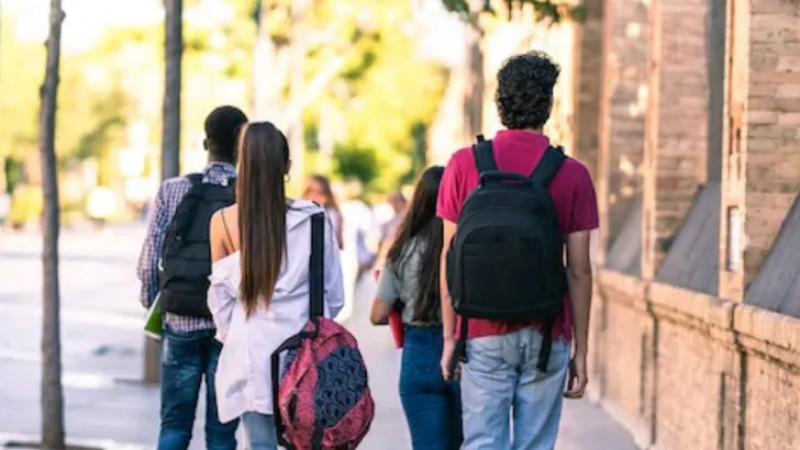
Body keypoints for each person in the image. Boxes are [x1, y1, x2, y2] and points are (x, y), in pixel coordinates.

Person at [437, 52, 599, 449]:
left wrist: (449, 339)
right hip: (547, 332)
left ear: (499, 102)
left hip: (481, 332)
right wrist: (582, 349)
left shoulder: (463, 165)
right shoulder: (572, 174)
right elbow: (579, 271)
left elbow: (449, 258)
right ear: (549, 104)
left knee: (483, 443)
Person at [207, 122, 344, 449]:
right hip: (306, 358)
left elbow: (221, 307)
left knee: (259, 443)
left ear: (243, 165)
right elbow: (334, 297)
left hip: (250, 359)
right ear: (287, 166)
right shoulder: (313, 218)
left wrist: (240, 332)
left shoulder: (223, 222)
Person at [137, 105, 247, 450]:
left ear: (205, 143)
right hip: (229, 329)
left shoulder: (173, 190)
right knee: (221, 433)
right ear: (241, 146)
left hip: (180, 321)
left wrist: (160, 308)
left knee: (174, 427)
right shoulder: (250, 195)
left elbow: (147, 263)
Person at [370, 166, 462, 450]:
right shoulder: (467, 248)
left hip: (418, 354)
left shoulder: (402, 250)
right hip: (464, 353)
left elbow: (377, 315)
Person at [303, 174, 344, 249]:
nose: (314, 196)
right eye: (311, 191)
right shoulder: (299, 215)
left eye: (320, 192)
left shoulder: (331, 215)